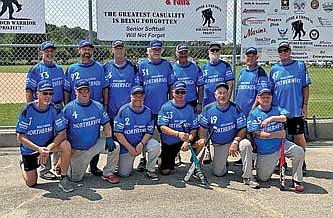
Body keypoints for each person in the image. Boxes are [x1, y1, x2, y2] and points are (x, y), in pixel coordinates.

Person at [197, 82, 259, 189]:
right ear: (215, 95)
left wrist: (235, 141)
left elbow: (243, 128)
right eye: (220, 93)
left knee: (246, 144)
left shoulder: (235, 108)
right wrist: (202, 138)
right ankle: (222, 161)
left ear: (228, 94)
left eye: (225, 93)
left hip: (235, 141)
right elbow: (202, 127)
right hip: (219, 143)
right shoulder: (208, 109)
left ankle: (248, 177)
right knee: (218, 172)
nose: (222, 96)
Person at [16, 80, 73, 192]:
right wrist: (38, 149)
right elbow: (20, 137)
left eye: (50, 93)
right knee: (31, 183)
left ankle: (63, 178)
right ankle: (23, 164)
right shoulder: (27, 110)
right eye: (45, 93)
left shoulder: (55, 109)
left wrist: (47, 149)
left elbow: (62, 133)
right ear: (38, 93)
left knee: (66, 145)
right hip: (31, 149)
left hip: (47, 145)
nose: (48, 96)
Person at [247, 86, 305, 192]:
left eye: (268, 97)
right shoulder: (253, 114)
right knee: (263, 179)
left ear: (271, 98)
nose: (266, 99)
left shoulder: (277, 108)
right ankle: (266, 163)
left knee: (298, 151)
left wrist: (271, 118)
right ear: (258, 98)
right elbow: (256, 134)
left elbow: (286, 117)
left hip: (282, 144)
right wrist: (276, 134)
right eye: (263, 97)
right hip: (266, 151)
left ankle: (297, 180)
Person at [64, 40, 109, 176]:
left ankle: (93, 166)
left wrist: (105, 105)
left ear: (92, 51)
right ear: (79, 50)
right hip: (76, 108)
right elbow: (67, 89)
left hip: (95, 107)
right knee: (72, 135)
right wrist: (66, 105)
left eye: (89, 49)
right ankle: (66, 162)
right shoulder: (72, 69)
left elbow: (105, 88)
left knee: (94, 136)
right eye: (84, 49)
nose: (87, 51)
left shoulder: (99, 67)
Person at [63, 79, 120, 183]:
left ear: (90, 91)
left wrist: (109, 137)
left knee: (115, 146)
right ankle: (67, 166)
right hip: (78, 150)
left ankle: (108, 173)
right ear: (76, 92)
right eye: (81, 91)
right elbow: (62, 131)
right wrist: (67, 149)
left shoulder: (97, 106)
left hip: (94, 145)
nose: (84, 93)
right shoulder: (69, 108)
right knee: (75, 179)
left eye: (86, 90)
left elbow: (106, 123)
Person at [25, 41, 66, 180]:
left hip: (58, 106)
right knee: (46, 136)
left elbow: (64, 89)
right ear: (41, 53)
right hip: (43, 108)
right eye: (46, 51)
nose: (49, 53)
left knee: (59, 135)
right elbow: (29, 90)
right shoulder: (36, 69)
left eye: (51, 51)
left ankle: (57, 165)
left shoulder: (59, 69)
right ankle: (45, 169)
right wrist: (32, 107)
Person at [269, 41, 311, 173]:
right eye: (280, 51)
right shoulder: (274, 69)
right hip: (278, 111)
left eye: (285, 50)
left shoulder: (300, 65)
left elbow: (305, 87)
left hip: (295, 109)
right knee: (278, 137)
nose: (283, 53)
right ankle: (281, 162)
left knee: (298, 136)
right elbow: (270, 91)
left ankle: (301, 162)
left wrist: (305, 106)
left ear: (290, 51)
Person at [136, 39, 175, 171]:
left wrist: (171, 102)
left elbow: (171, 86)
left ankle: (164, 158)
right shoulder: (142, 65)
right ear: (149, 51)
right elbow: (139, 86)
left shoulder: (166, 65)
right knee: (145, 133)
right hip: (146, 108)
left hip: (163, 108)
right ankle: (143, 159)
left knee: (165, 134)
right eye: (154, 50)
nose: (156, 52)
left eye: (159, 50)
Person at [114, 86, 160, 180]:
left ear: (144, 97)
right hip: (127, 146)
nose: (138, 98)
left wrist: (141, 144)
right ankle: (120, 162)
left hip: (141, 142)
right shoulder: (123, 110)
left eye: (141, 96)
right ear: (131, 96)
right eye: (135, 95)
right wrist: (130, 148)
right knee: (124, 174)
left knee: (155, 145)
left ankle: (150, 170)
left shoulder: (148, 111)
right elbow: (118, 133)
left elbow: (149, 132)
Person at [234, 47, 268, 166]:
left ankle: (253, 160)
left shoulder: (260, 71)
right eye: (248, 56)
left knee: (253, 135)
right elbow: (238, 90)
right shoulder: (243, 71)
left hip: (252, 110)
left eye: (253, 56)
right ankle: (245, 157)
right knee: (244, 134)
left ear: (257, 57)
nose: (250, 58)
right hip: (240, 109)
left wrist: (253, 109)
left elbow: (261, 93)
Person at [157, 81, 197, 175]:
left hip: (185, 139)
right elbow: (162, 127)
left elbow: (194, 128)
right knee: (165, 171)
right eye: (177, 92)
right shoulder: (166, 107)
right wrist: (178, 134)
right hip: (170, 141)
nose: (180, 94)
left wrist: (189, 141)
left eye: (182, 92)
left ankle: (195, 165)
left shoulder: (190, 108)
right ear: (173, 93)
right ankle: (162, 158)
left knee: (201, 141)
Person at [104, 40, 137, 124]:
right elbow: (104, 89)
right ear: (112, 50)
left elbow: (136, 89)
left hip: (129, 109)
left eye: (121, 48)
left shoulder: (132, 67)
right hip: (112, 110)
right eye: (116, 49)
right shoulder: (106, 67)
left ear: (124, 50)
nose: (119, 51)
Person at [172, 44, 204, 114]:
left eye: (185, 52)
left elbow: (200, 87)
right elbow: (170, 87)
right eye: (181, 53)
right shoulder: (172, 68)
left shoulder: (195, 67)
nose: (183, 55)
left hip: (192, 102)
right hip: (177, 102)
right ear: (176, 54)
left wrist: (200, 103)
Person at [201, 41, 234, 107]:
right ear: (209, 51)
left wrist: (226, 100)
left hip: (221, 101)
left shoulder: (226, 66)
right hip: (206, 102)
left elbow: (230, 85)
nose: (215, 52)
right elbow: (200, 86)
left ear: (220, 52)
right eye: (213, 50)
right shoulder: (203, 67)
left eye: (217, 50)